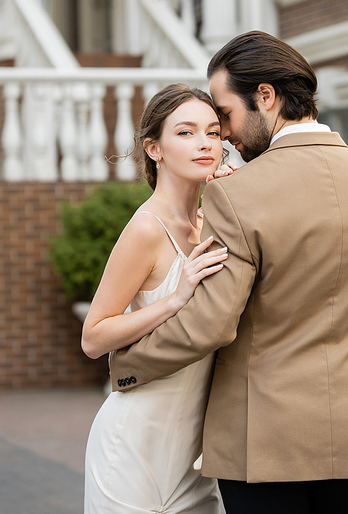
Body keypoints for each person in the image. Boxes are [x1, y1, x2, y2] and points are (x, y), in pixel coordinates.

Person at [111, 31, 348, 514]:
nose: (225, 135)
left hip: (260, 443)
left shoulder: (238, 194)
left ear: (265, 96)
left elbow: (211, 324)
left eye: (224, 115)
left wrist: (127, 368)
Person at [82, 83, 235, 514]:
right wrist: (174, 298)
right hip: (132, 449)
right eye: (185, 133)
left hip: (195, 458)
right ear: (155, 149)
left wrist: (235, 201)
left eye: (213, 132)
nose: (204, 143)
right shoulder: (147, 229)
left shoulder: (213, 220)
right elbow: (93, 338)